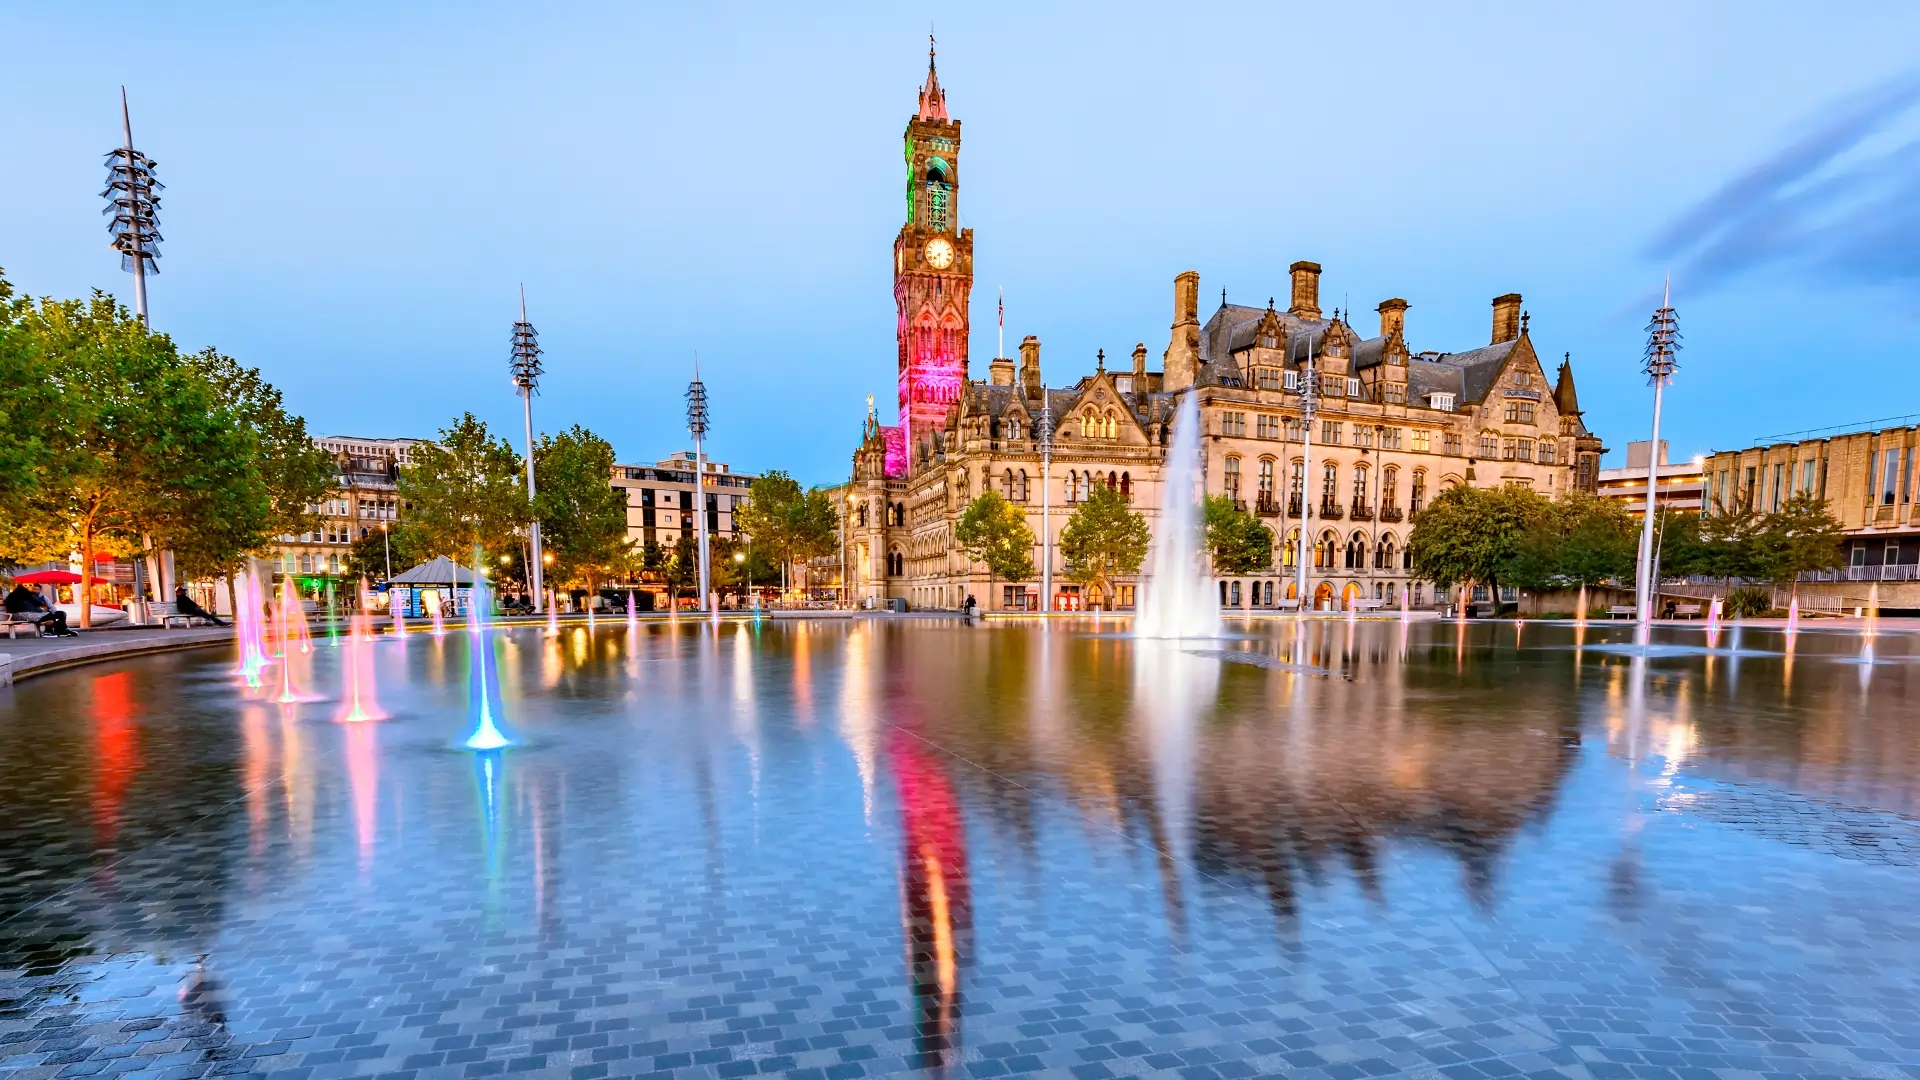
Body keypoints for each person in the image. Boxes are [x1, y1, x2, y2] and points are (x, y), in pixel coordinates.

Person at [5, 584, 76, 637]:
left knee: (57, 615)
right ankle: (58, 630)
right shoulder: (27, 595)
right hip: (27, 615)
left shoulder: (12, 596)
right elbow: (39, 603)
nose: (33, 591)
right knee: (59, 614)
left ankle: (58, 630)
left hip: (24, 615)